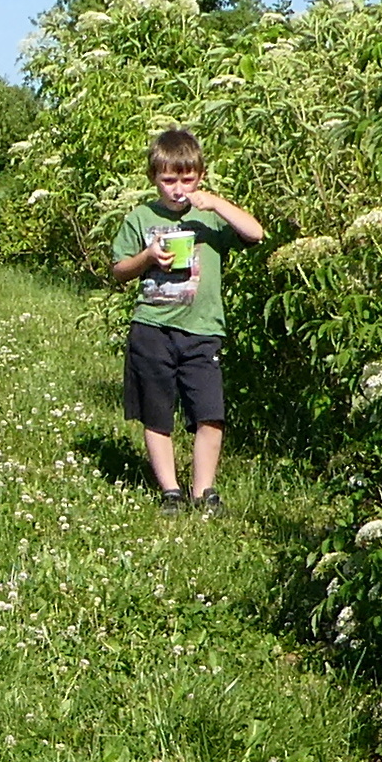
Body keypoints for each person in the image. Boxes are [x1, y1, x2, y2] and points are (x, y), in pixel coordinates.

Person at [107, 126, 265, 513]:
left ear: (200, 177)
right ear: (153, 179)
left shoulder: (209, 218)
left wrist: (216, 204)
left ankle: (204, 491)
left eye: (187, 179)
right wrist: (147, 258)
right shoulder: (140, 217)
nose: (178, 189)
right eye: (168, 180)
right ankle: (171, 491)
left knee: (210, 413)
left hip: (203, 329)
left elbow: (256, 234)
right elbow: (118, 270)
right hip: (152, 327)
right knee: (157, 412)